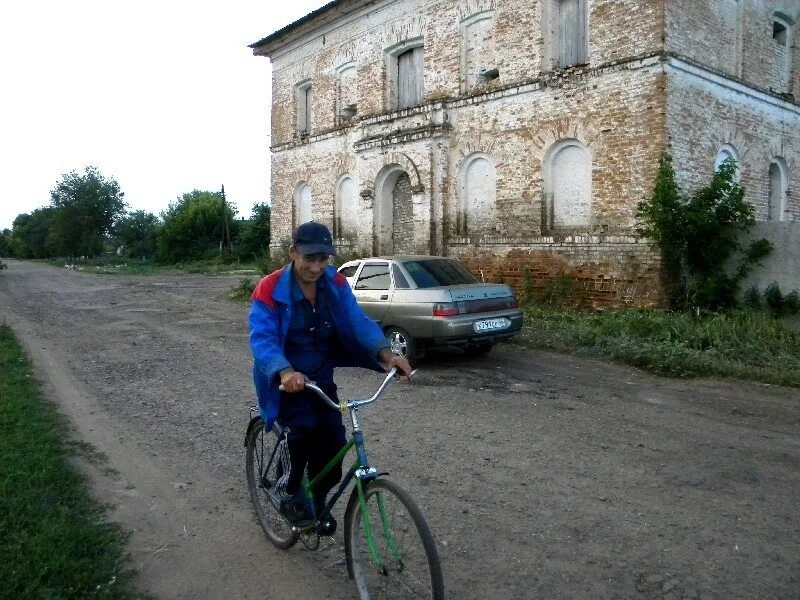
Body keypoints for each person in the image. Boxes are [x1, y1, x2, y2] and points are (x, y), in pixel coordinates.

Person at [249, 221, 412, 534]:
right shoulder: (269, 289)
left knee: (334, 443)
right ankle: (291, 490)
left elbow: (357, 320)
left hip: (320, 377)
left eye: (323, 259)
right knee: (302, 430)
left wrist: (386, 353)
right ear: (293, 252)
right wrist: (284, 371)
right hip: (287, 379)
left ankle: (317, 500)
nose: (316, 267)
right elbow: (262, 338)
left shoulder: (335, 283)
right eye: (309, 258)